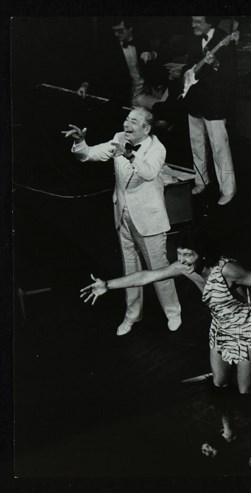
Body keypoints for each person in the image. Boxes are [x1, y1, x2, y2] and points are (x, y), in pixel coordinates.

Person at [80, 231, 251, 469]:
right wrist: (108, 284)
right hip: (219, 329)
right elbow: (148, 276)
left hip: (244, 330)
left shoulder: (228, 270)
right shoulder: (184, 268)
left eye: (188, 255)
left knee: (246, 393)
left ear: (203, 254)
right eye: (180, 255)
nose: (183, 260)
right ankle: (228, 432)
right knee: (219, 386)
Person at [63, 107, 181, 336]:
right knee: (130, 269)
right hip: (123, 217)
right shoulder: (119, 138)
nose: (127, 124)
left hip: (149, 220)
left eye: (134, 121)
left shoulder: (157, 148)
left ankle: (173, 312)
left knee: (160, 271)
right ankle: (132, 315)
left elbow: (148, 172)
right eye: (127, 119)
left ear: (146, 128)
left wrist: (128, 154)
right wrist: (81, 143)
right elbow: (90, 154)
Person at [166, 16, 237, 205]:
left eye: (198, 21)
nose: (193, 25)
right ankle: (201, 180)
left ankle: (228, 189)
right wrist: (184, 75)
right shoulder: (193, 38)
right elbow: (191, 66)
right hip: (194, 99)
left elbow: (231, 76)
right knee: (196, 144)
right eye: (192, 20)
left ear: (210, 22)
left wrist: (215, 64)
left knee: (219, 147)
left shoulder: (225, 40)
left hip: (215, 103)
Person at [77, 18, 167, 109]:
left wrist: (152, 54)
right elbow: (96, 67)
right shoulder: (110, 48)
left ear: (130, 29)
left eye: (120, 31)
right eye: (114, 31)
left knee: (168, 107)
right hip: (129, 97)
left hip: (148, 90)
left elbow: (162, 57)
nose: (116, 34)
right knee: (162, 112)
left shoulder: (141, 41)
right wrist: (85, 84)